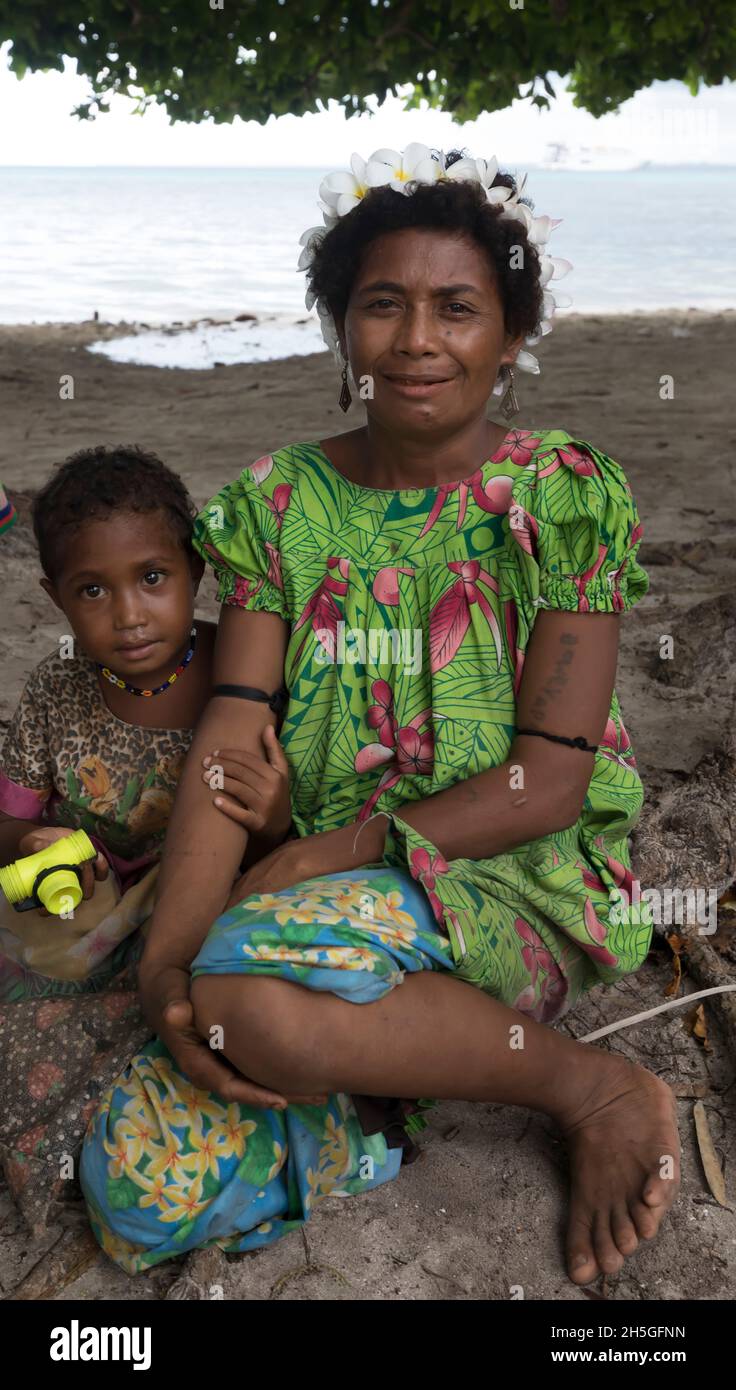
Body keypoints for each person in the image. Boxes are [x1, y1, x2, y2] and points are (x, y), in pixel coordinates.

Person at [80, 145, 679, 1288]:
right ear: (339, 330)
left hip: (511, 871)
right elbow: (231, 729)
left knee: (246, 990)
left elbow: (550, 775)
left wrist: (320, 852)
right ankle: (368, 1120)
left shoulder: (558, 493)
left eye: (457, 308)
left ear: (509, 339)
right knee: (137, 1187)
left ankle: (588, 1085)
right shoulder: (276, 504)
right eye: (381, 306)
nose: (415, 340)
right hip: (327, 895)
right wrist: (160, 970)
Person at [0, 444, 291, 1234]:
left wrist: (272, 817)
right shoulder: (56, 692)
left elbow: (284, 845)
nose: (128, 615)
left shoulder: (244, 679)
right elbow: (7, 822)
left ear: (197, 571)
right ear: (53, 596)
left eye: (152, 579)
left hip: (194, 917)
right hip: (79, 916)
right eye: (92, 590)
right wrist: (31, 839)